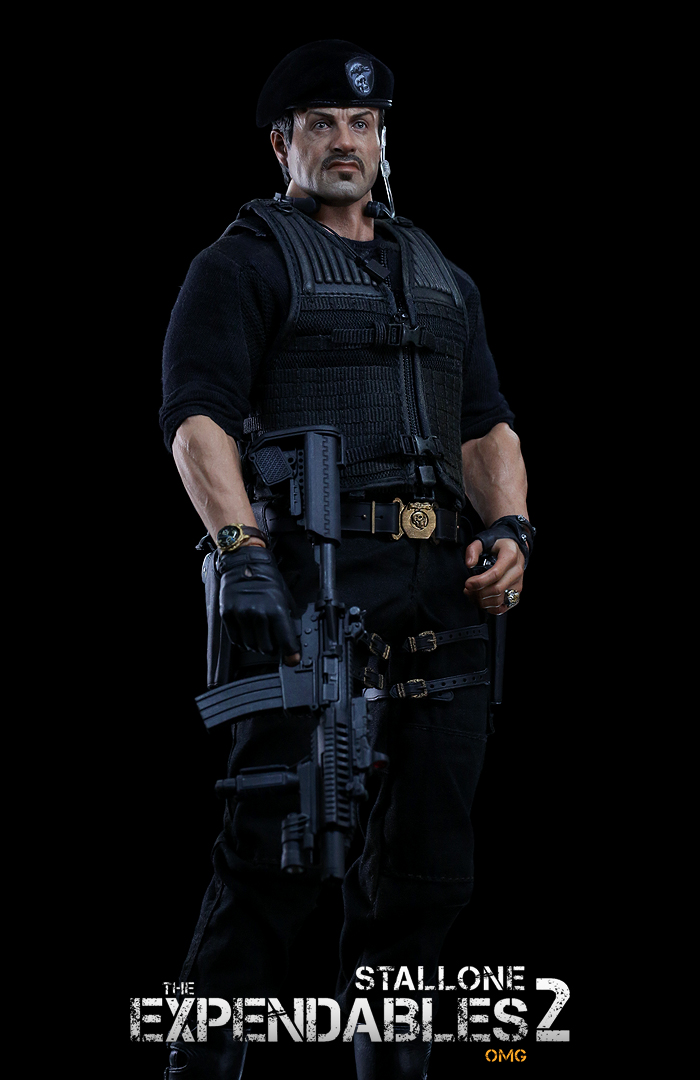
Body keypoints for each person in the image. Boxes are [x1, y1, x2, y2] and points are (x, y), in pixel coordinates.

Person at [159, 39, 533, 1080]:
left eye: (361, 124)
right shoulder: (242, 262)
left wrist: (511, 529)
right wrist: (240, 551)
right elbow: (195, 419)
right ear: (282, 143)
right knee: (274, 854)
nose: (344, 140)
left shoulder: (439, 273)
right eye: (320, 123)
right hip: (314, 581)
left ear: (382, 139)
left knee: (427, 876)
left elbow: (486, 426)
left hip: (442, 589)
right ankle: (201, 1067)